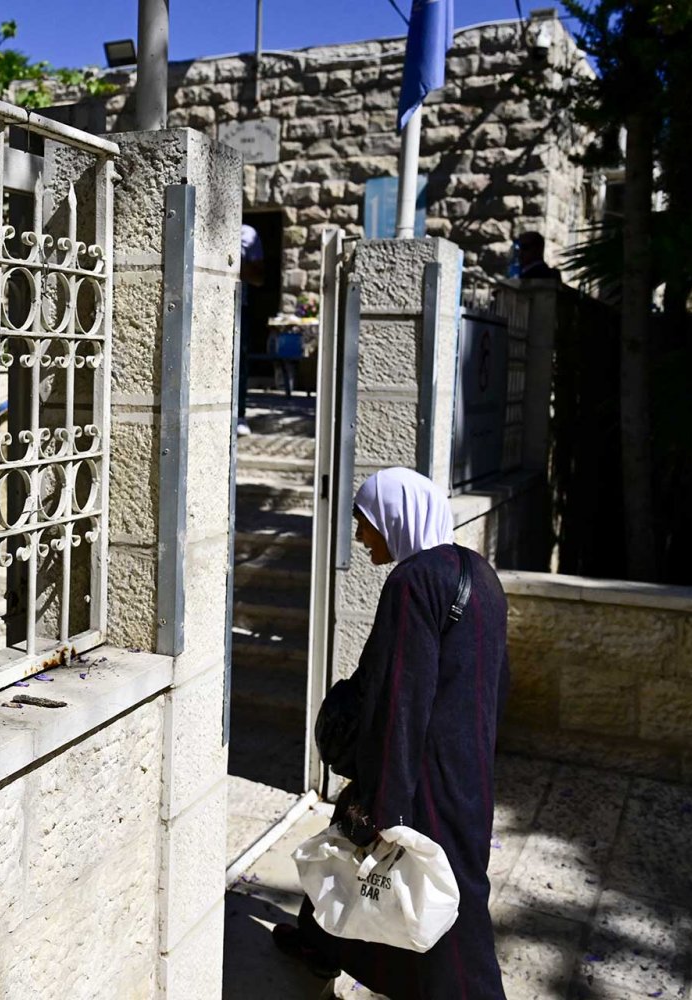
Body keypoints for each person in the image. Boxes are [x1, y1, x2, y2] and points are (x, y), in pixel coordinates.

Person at [273, 467, 510, 999]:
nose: (360, 537)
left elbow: (400, 696)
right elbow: (499, 684)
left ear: (396, 518)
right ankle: (322, 943)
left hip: (427, 773)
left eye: (366, 523)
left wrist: (389, 803)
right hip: (467, 768)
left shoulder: (414, 581)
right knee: (352, 845)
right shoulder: (479, 573)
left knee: (450, 900)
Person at [236, 222, 265, 437]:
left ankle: (239, 415)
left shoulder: (247, 233)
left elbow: (258, 277)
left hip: (238, 307)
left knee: (239, 362)